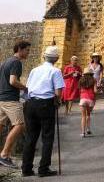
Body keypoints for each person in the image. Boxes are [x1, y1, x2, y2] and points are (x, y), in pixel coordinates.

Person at [21, 45, 65, 178]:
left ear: (44, 57)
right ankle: (43, 168)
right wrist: (57, 101)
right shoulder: (56, 71)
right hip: (46, 104)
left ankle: (26, 169)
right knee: (47, 137)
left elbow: (28, 88)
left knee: (30, 137)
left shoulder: (34, 70)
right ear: (56, 58)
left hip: (30, 104)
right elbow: (58, 92)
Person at [0, 41, 29, 168]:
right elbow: (13, 81)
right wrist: (25, 88)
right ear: (20, 49)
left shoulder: (5, 62)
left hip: (1, 98)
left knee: (0, 125)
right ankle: (4, 155)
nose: (28, 53)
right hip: (11, 100)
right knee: (20, 125)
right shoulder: (16, 62)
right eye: (27, 50)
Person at [78, 68, 96, 137]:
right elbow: (95, 91)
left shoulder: (81, 80)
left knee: (83, 116)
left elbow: (79, 90)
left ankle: (83, 133)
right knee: (88, 115)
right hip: (90, 99)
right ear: (91, 74)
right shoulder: (94, 80)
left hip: (83, 99)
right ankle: (88, 129)